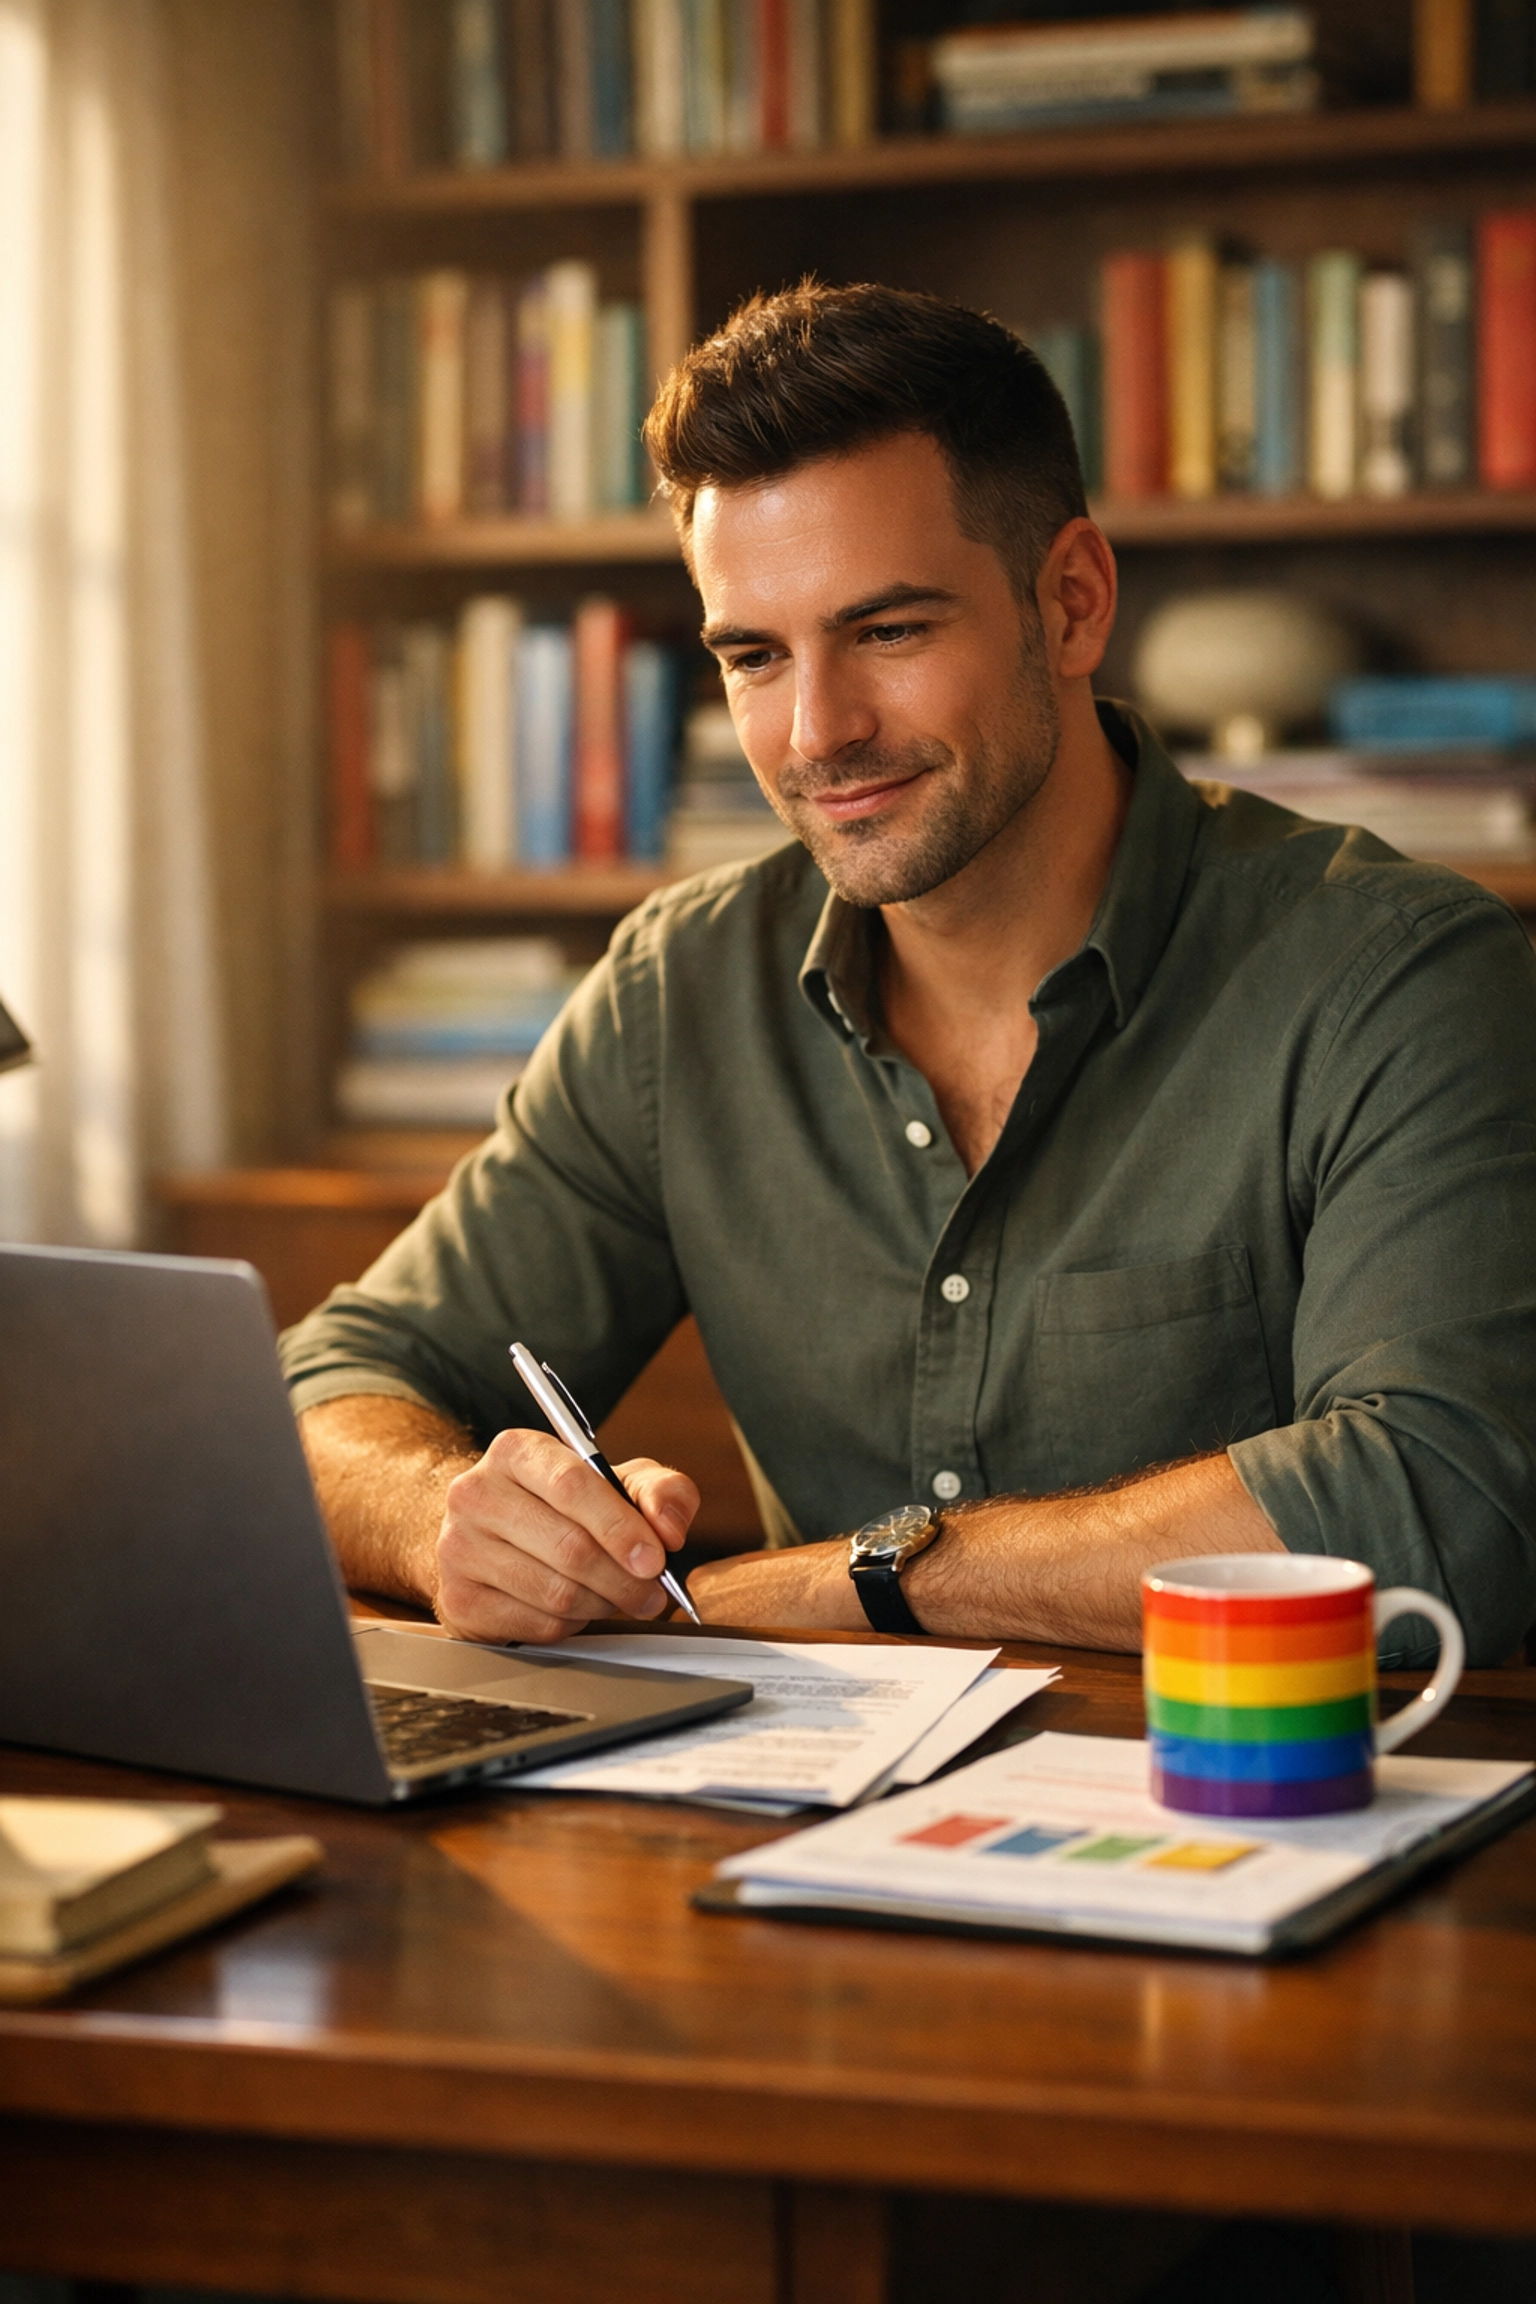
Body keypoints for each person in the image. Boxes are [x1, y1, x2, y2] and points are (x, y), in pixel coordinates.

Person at [282, 282, 1536, 1665]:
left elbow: (1441, 1500)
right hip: (785, 1833)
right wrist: (448, 1521)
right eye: (755, 656)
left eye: (887, 631)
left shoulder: (1403, 981)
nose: (819, 732)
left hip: (1257, 1816)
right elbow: (329, 1387)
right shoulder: (677, 994)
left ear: (1070, 602)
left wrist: (847, 1581)